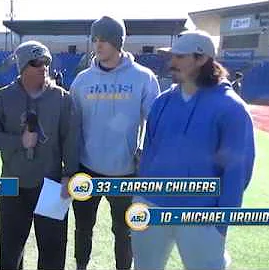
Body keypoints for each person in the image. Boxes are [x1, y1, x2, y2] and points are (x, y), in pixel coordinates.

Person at [132, 30, 255, 270]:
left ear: (201, 59)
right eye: (172, 57)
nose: (172, 63)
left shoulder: (231, 108)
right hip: (152, 206)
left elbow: (237, 171)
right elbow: (148, 154)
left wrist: (222, 221)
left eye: (179, 57)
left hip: (202, 213)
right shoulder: (162, 102)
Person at [69, 16, 160, 270]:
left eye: (105, 40)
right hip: (87, 168)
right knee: (83, 228)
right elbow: (71, 126)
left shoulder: (144, 78)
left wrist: (146, 152)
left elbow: (155, 124)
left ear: (118, 42)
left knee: (124, 233)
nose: (98, 45)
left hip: (126, 172)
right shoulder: (82, 81)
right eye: (95, 39)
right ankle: (81, 266)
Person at [0, 40, 78, 270]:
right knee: (10, 251)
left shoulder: (62, 99)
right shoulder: (2, 98)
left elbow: (72, 139)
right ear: (23, 66)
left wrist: (69, 175)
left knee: (53, 252)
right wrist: (18, 141)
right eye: (37, 62)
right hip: (13, 185)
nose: (44, 67)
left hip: (52, 185)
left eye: (47, 62)